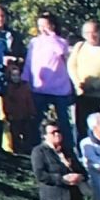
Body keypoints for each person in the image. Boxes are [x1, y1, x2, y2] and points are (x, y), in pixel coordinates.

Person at [26, 13, 76, 142]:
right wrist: (25, 78)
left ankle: (68, 146)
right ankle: (36, 145)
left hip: (59, 88)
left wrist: (52, 37)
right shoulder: (34, 42)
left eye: (45, 25)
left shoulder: (60, 42)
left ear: (52, 26)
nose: (42, 29)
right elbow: (29, 61)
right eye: (40, 26)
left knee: (63, 120)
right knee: (37, 118)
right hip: (39, 87)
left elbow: (61, 51)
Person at [69, 19, 100, 127]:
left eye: (94, 32)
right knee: (82, 127)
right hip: (82, 95)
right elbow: (71, 66)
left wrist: (93, 87)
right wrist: (78, 84)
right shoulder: (79, 47)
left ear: (99, 32)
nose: (91, 35)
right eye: (87, 33)